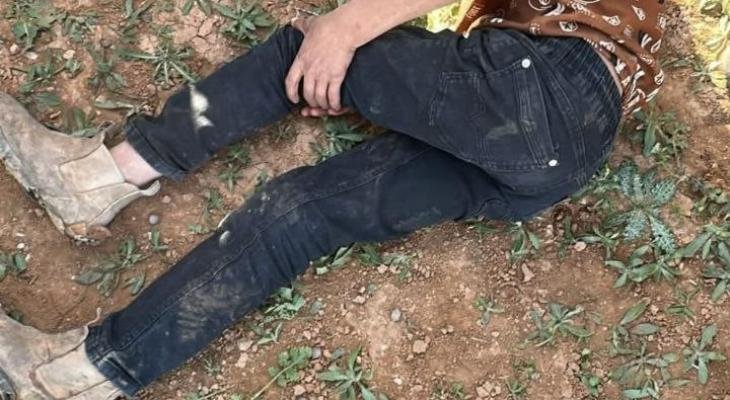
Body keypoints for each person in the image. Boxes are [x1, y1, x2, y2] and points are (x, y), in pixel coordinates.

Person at [0, 0, 664, 398]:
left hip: (543, 82)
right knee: (301, 212)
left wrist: (344, 29)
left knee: (308, 46)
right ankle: (75, 375)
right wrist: (380, 88)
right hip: (564, 154)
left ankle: (92, 179)